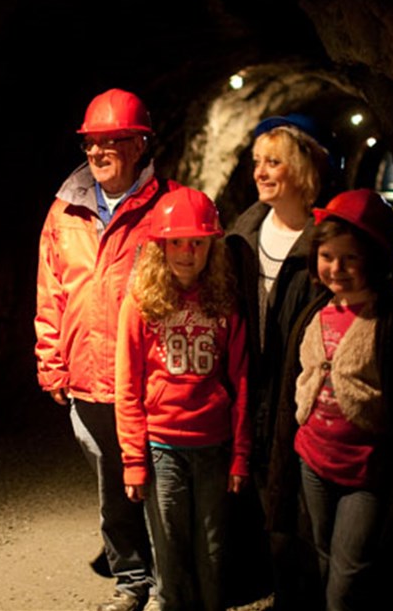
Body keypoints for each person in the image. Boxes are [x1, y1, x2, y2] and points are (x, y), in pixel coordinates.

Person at [35, 88, 171, 611]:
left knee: (159, 485)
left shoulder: (164, 207)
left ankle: (168, 585)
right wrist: (51, 363)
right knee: (113, 489)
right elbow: (51, 292)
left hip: (149, 378)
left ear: (139, 145)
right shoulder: (64, 211)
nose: (97, 151)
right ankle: (131, 579)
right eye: (91, 142)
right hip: (88, 378)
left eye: (110, 141)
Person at [267, 189, 393, 610]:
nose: (337, 268)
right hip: (313, 461)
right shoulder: (315, 314)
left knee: (347, 578)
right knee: (322, 554)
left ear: (376, 259)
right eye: (327, 256)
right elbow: (293, 389)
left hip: (365, 473)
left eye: (351, 258)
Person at [115, 187, 250, 611]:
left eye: (197, 243)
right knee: (169, 550)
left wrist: (241, 454)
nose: (187, 253)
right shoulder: (142, 302)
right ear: (160, 246)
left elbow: (242, 379)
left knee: (213, 549)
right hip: (162, 447)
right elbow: (128, 384)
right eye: (176, 242)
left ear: (212, 246)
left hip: (213, 443)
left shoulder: (224, 300)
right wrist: (133, 460)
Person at [224, 114, 331, 606]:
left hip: (303, 396)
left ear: (302, 169)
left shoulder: (325, 243)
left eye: (273, 162)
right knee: (259, 494)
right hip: (253, 388)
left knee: (302, 508)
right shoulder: (241, 235)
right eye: (256, 162)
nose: (260, 173)